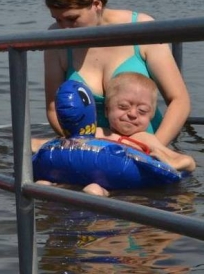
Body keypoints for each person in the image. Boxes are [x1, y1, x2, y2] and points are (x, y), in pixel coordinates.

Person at [44, 0, 190, 146]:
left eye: (72, 19)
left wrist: (153, 149)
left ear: (96, 4)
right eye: (57, 20)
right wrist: (82, 143)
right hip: (90, 149)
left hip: (147, 147)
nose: (64, 28)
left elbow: (179, 100)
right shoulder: (55, 38)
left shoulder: (142, 28)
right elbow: (53, 109)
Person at [37, 74, 196, 197]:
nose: (132, 114)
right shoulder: (96, 132)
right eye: (123, 107)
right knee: (42, 183)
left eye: (142, 111)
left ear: (151, 116)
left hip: (119, 189)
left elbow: (188, 163)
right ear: (106, 110)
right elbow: (64, 146)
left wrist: (168, 162)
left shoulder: (144, 138)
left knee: (94, 190)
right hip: (80, 177)